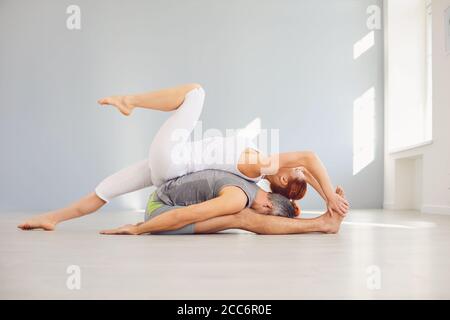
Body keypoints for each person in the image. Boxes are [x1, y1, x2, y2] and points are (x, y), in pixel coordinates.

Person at [18, 84, 348, 231]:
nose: (294, 166)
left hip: (172, 160)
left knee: (195, 93)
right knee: (105, 190)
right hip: (171, 174)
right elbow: (305, 168)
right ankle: (52, 218)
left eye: (292, 172)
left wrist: (330, 195)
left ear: (282, 178)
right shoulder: (256, 182)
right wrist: (326, 195)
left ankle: (129, 101)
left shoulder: (260, 165)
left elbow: (309, 157)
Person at [100, 170, 347, 236]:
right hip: (158, 212)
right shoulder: (238, 198)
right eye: (266, 217)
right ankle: (322, 225)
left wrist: (329, 198)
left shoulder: (250, 183)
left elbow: (302, 165)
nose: (260, 216)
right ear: (269, 207)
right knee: (242, 219)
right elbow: (186, 216)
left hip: (162, 200)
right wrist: (137, 229)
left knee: (240, 217)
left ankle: (323, 223)